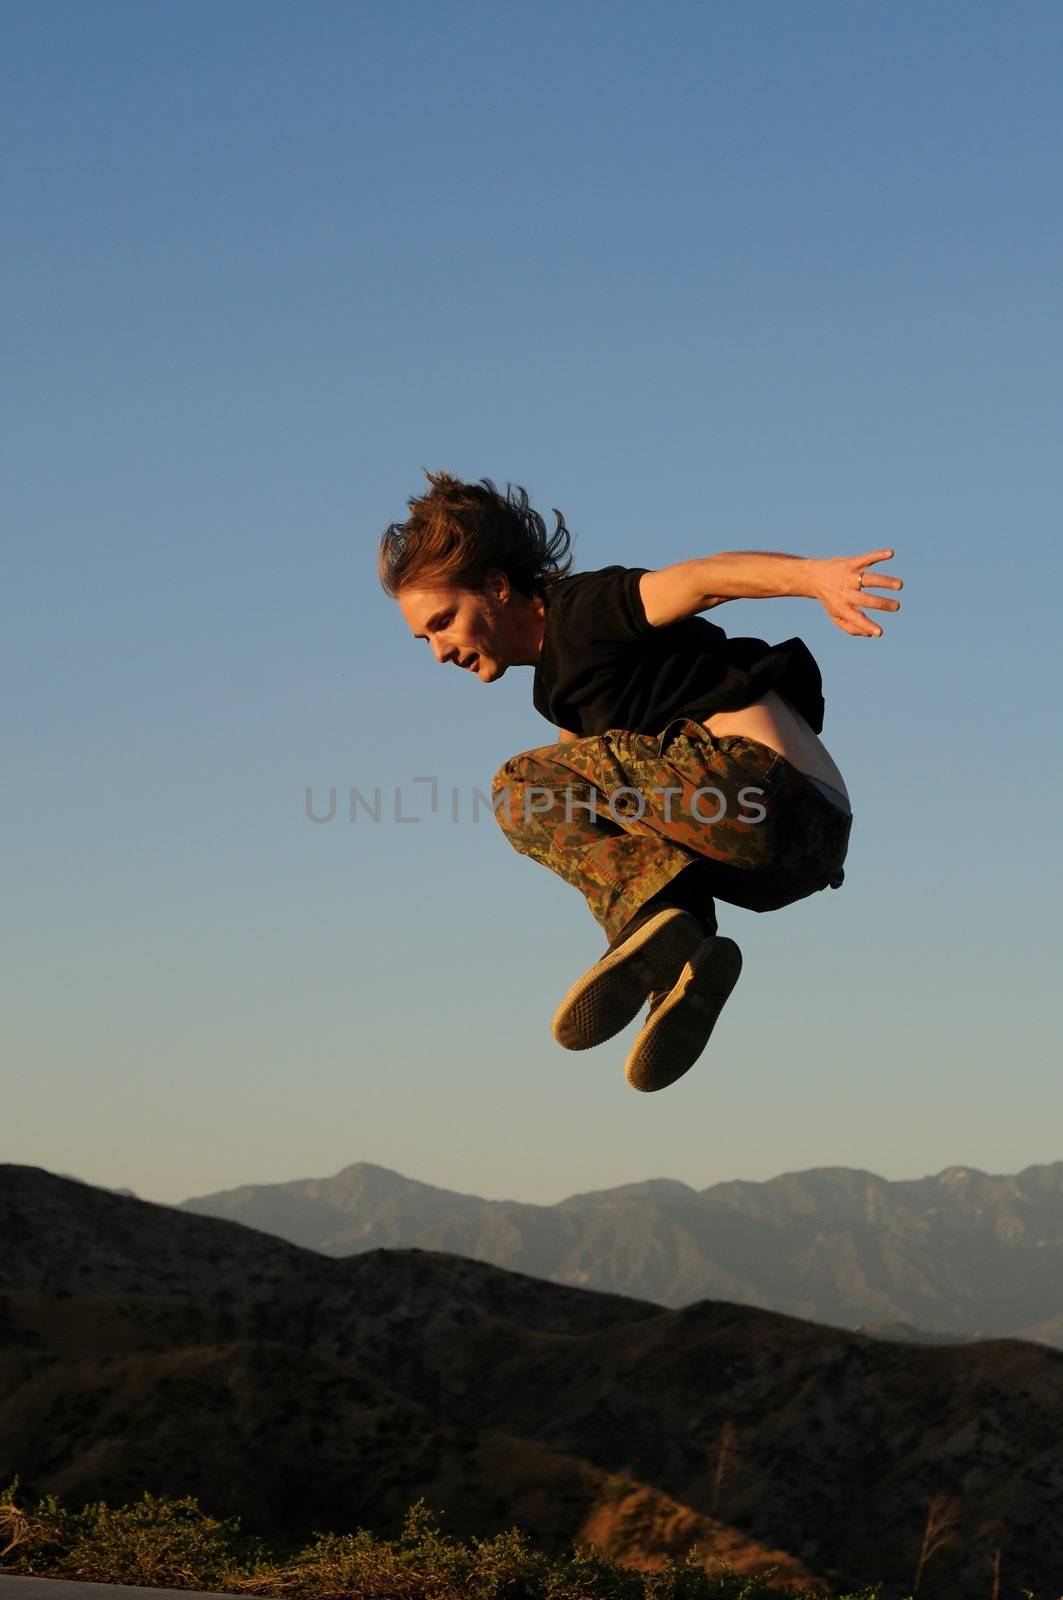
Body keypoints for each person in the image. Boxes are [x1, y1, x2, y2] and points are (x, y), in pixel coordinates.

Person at [378, 470, 902, 1093]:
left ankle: (666, 928)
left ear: (496, 587)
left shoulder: (583, 610)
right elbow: (587, 807)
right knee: (570, 807)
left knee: (521, 786)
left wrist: (816, 577)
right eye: (424, 638)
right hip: (801, 853)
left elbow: (702, 580)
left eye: (443, 621)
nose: (439, 651)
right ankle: (683, 968)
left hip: (758, 790)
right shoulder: (561, 694)